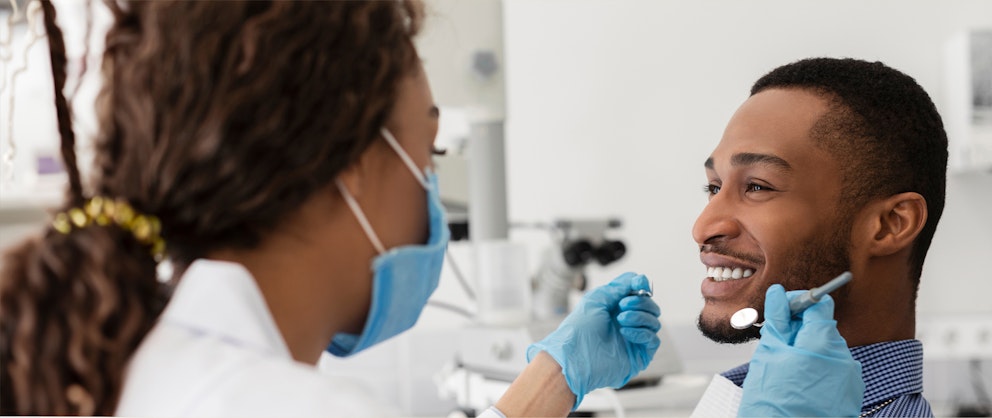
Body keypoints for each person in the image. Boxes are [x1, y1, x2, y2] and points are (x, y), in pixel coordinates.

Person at [0, 1, 662, 416]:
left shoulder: (123, 367)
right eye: (427, 155)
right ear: (351, 161)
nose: (430, 188)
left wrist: (554, 379)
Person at [692, 57, 946, 417]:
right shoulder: (752, 396)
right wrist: (578, 385)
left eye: (757, 186)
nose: (703, 227)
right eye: (713, 187)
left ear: (891, 224)